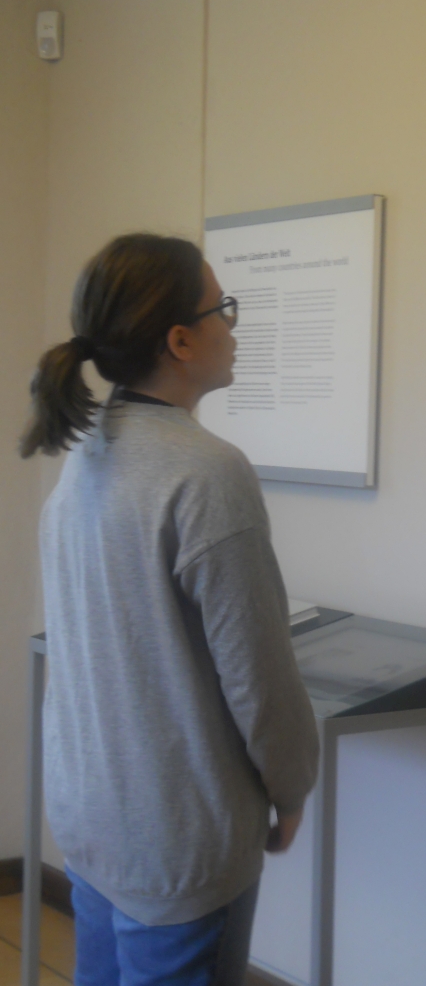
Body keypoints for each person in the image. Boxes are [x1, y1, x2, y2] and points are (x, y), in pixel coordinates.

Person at [20, 233, 319, 986]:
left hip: (93, 817)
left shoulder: (85, 454)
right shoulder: (208, 473)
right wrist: (291, 786)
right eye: (223, 308)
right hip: (178, 837)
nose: (234, 326)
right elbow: (258, 675)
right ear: (181, 341)